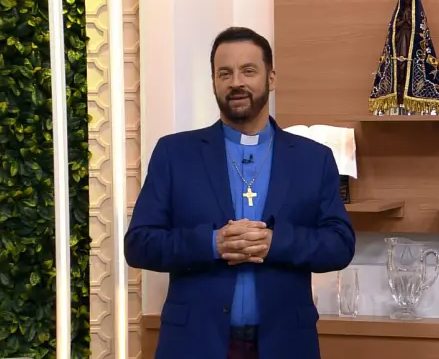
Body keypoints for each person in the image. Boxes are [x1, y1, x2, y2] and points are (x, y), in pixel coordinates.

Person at [125, 26, 356, 359]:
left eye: (248, 71)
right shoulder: (175, 154)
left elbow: (340, 244)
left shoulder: (313, 159)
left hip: (285, 343)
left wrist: (275, 242)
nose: (236, 82)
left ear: (271, 78)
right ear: (214, 82)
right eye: (225, 73)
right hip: (194, 343)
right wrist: (212, 243)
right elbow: (139, 244)